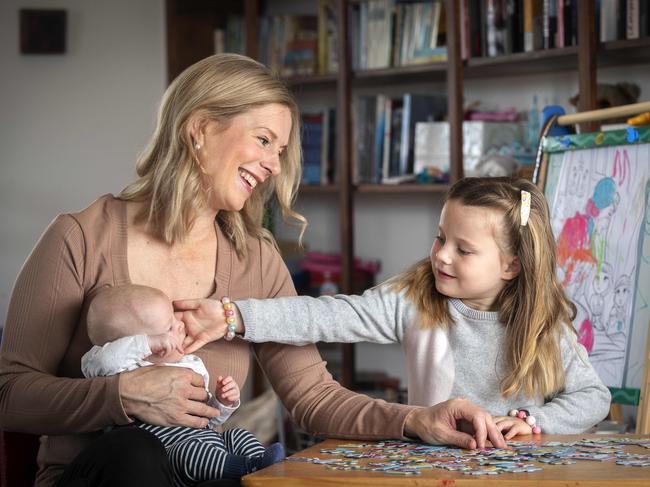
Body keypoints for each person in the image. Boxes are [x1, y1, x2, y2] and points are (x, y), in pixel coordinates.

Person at [0, 53, 505, 487]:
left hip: (201, 474)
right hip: (97, 473)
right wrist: (120, 396)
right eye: (263, 140)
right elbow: (9, 392)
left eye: (280, 151)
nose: (273, 165)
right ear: (199, 129)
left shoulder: (256, 259)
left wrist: (417, 418)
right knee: (136, 455)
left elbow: (312, 396)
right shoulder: (81, 237)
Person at [178, 177, 611, 438]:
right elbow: (328, 315)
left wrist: (534, 422)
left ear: (512, 265)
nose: (441, 255)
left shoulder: (543, 325)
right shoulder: (414, 298)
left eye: (464, 250)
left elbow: (594, 398)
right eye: (442, 238)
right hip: (433, 466)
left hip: (520, 473)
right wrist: (233, 315)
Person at [81, 284, 285, 485]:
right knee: (191, 453)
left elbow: (208, 419)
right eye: (169, 327)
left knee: (238, 435)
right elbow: (101, 361)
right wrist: (146, 344)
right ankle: (244, 469)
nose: (180, 324)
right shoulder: (122, 367)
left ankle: (266, 469)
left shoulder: (190, 365)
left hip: (211, 444)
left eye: (174, 317)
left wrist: (222, 403)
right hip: (172, 456)